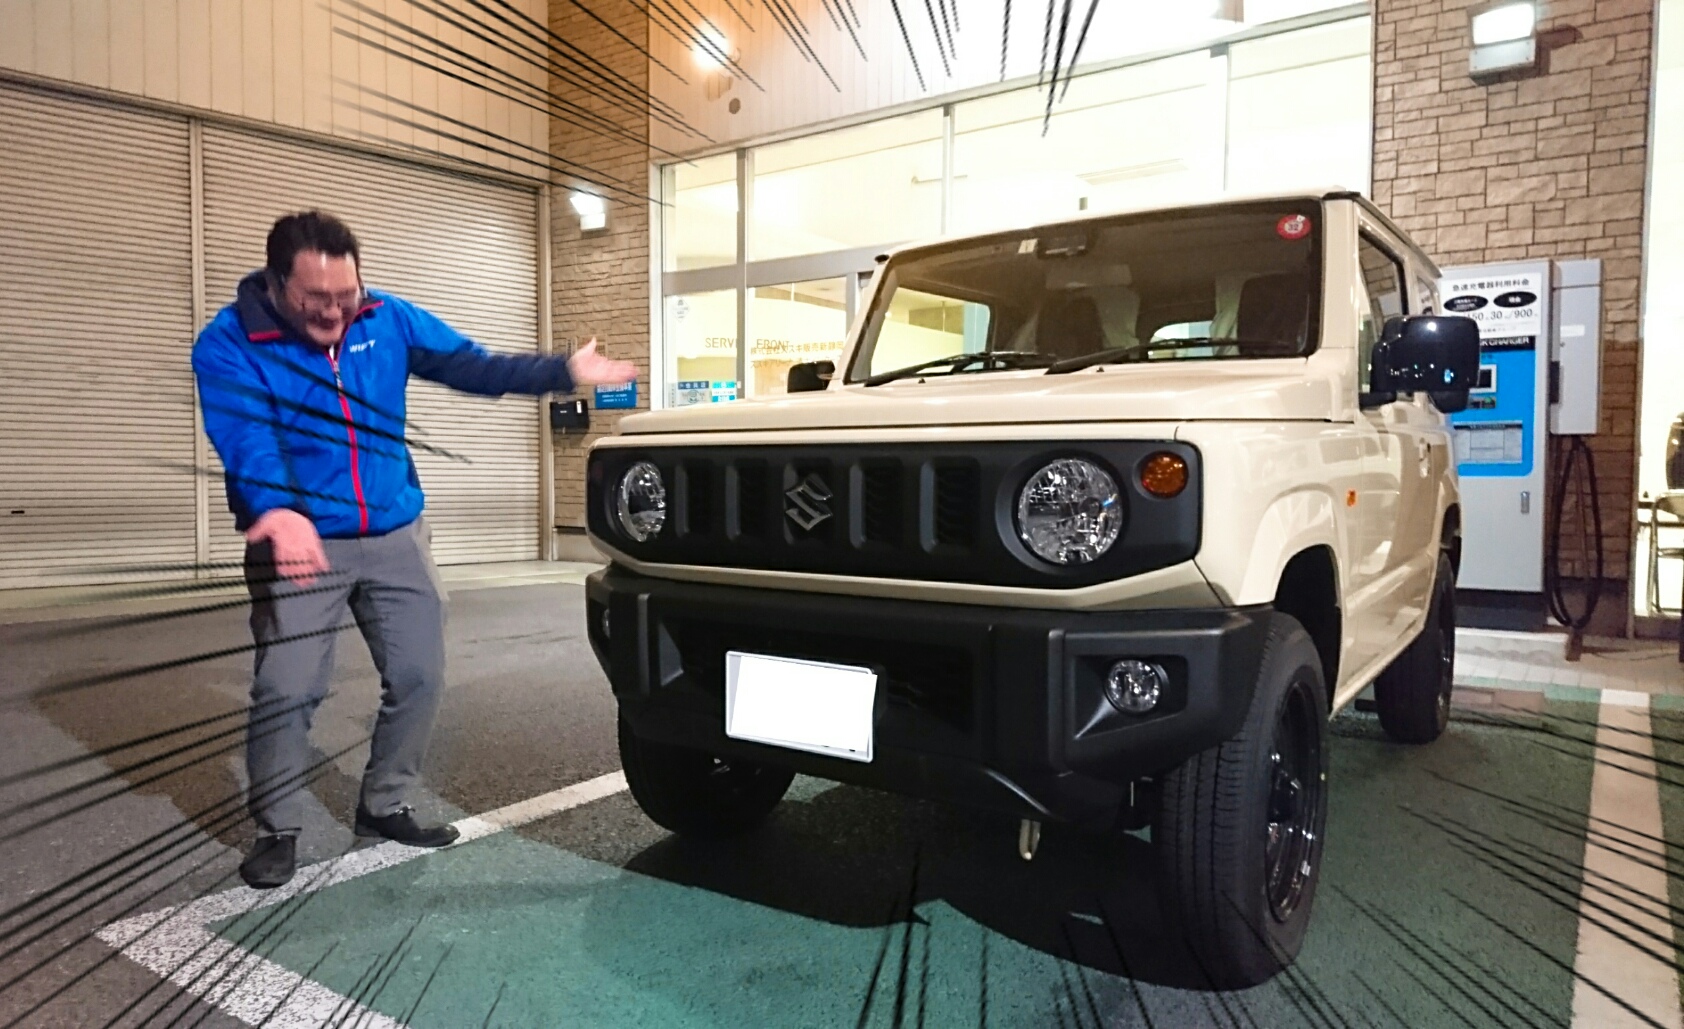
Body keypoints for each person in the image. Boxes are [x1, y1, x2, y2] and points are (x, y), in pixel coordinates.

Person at [192, 210, 635, 889]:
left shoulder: (385, 317)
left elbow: (471, 365)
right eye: (316, 298)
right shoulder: (229, 343)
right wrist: (277, 512)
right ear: (278, 284)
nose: (335, 311)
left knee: (420, 674)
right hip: (301, 537)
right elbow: (247, 438)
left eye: (347, 294)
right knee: (288, 688)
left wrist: (561, 368)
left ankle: (385, 801)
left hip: (395, 530)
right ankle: (277, 827)